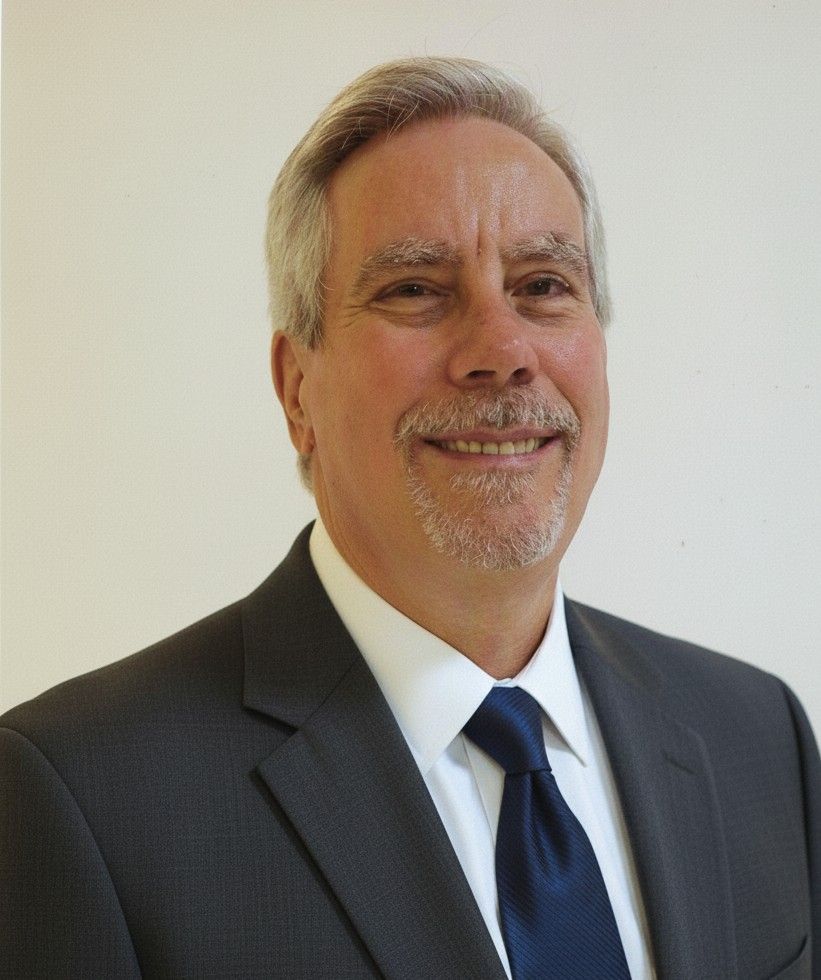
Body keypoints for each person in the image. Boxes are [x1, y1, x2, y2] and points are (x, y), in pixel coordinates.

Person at [1, 57, 817, 980]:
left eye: (544, 283)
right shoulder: (83, 797)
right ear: (296, 386)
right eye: (414, 290)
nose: (501, 351)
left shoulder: (758, 738)